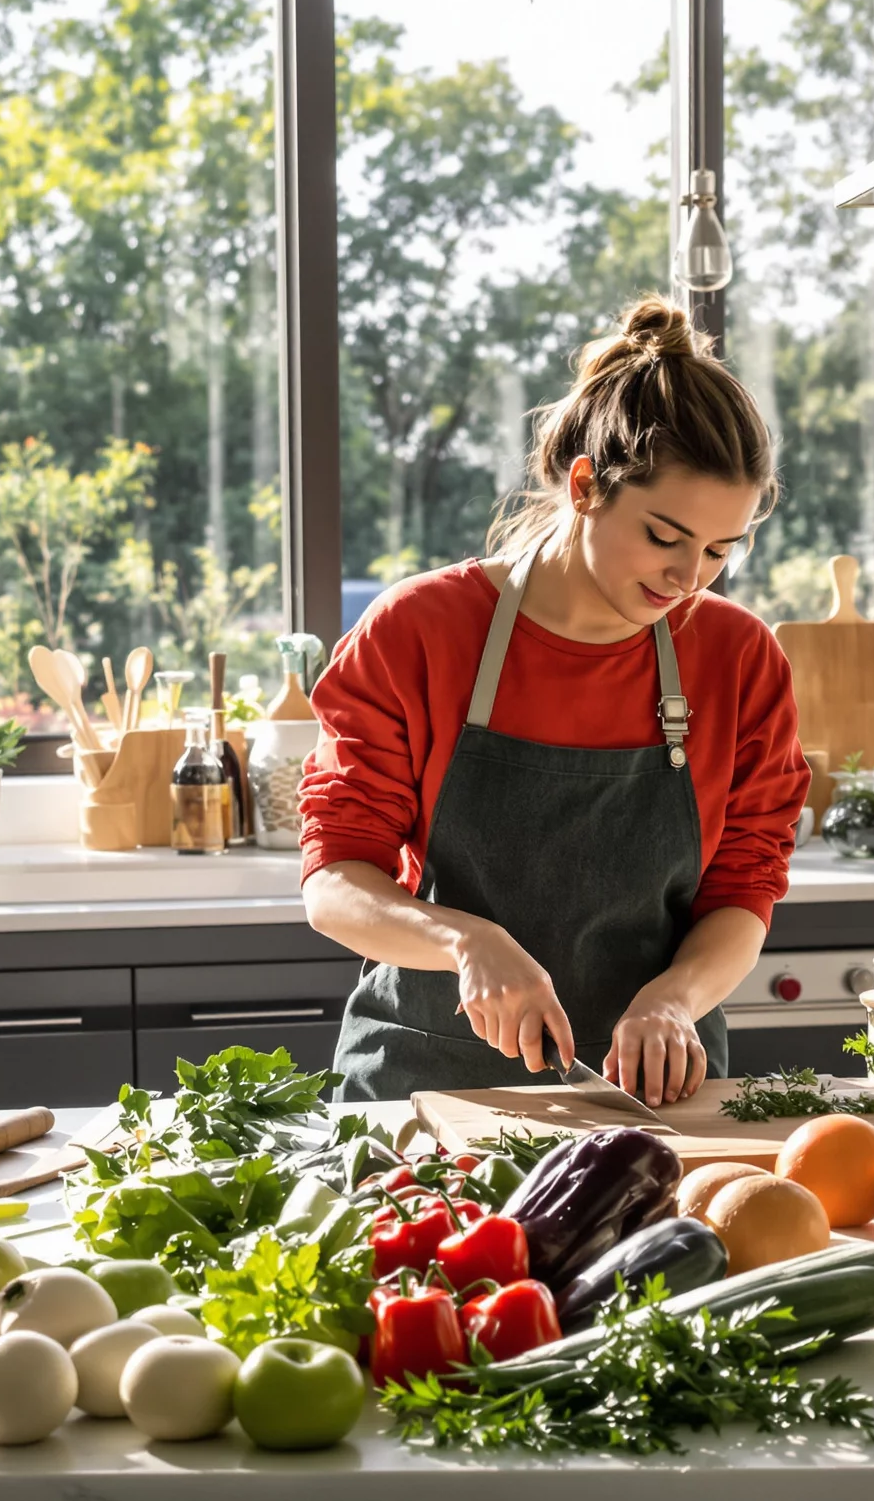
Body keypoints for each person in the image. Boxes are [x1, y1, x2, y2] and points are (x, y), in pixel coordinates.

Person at [299, 295, 810, 1107]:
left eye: (721, 549)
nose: (689, 578)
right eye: (664, 536)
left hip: (653, 1100)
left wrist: (676, 997)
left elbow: (743, 891)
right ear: (584, 486)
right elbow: (335, 884)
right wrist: (465, 941)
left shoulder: (738, 658)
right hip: (429, 1095)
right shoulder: (422, 630)